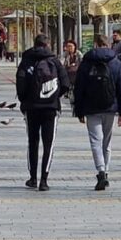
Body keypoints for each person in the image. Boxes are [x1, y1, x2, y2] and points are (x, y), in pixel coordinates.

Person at [72, 35, 121, 191]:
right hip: (110, 107)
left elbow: (79, 88)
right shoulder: (116, 63)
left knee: (95, 141)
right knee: (107, 142)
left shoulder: (86, 62)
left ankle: (101, 172)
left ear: (96, 45)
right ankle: (107, 171)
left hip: (91, 108)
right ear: (108, 45)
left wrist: (78, 110)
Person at [17, 35, 70, 191]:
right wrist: (54, 96)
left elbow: (20, 85)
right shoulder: (54, 61)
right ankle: (44, 180)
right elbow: (66, 84)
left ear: (34, 44)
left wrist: (25, 100)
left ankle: (33, 178)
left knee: (32, 143)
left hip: (31, 108)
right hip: (50, 109)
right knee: (49, 144)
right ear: (47, 45)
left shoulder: (26, 61)